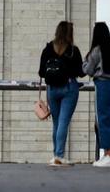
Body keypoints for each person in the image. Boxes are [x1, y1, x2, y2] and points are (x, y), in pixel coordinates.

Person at [38, 20, 84, 166]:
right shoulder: (72, 50)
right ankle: (59, 155)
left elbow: (41, 72)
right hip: (68, 88)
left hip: (52, 89)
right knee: (63, 122)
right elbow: (80, 72)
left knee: (56, 123)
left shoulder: (48, 48)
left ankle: (56, 155)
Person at [83, 21, 110, 168]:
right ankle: (109, 154)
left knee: (103, 118)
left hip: (102, 84)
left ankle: (109, 155)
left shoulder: (96, 50)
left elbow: (88, 70)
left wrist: (83, 64)